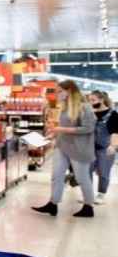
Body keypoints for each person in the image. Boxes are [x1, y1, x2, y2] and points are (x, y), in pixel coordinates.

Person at [33, 80, 96, 218]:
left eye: (60, 91)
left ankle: (88, 206)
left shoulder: (85, 107)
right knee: (56, 175)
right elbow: (63, 127)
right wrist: (53, 134)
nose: (57, 94)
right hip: (62, 146)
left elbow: (88, 128)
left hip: (80, 149)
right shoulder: (65, 107)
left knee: (82, 178)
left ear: (69, 91)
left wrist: (61, 129)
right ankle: (53, 204)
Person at [89, 90, 118, 204]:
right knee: (87, 171)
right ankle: (88, 194)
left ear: (101, 100)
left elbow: (115, 132)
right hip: (90, 148)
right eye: (89, 100)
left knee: (103, 172)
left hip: (105, 148)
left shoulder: (113, 114)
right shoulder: (90, 113)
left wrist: (113, 145)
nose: (91, 103)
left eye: (93, 100)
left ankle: (101, 194)